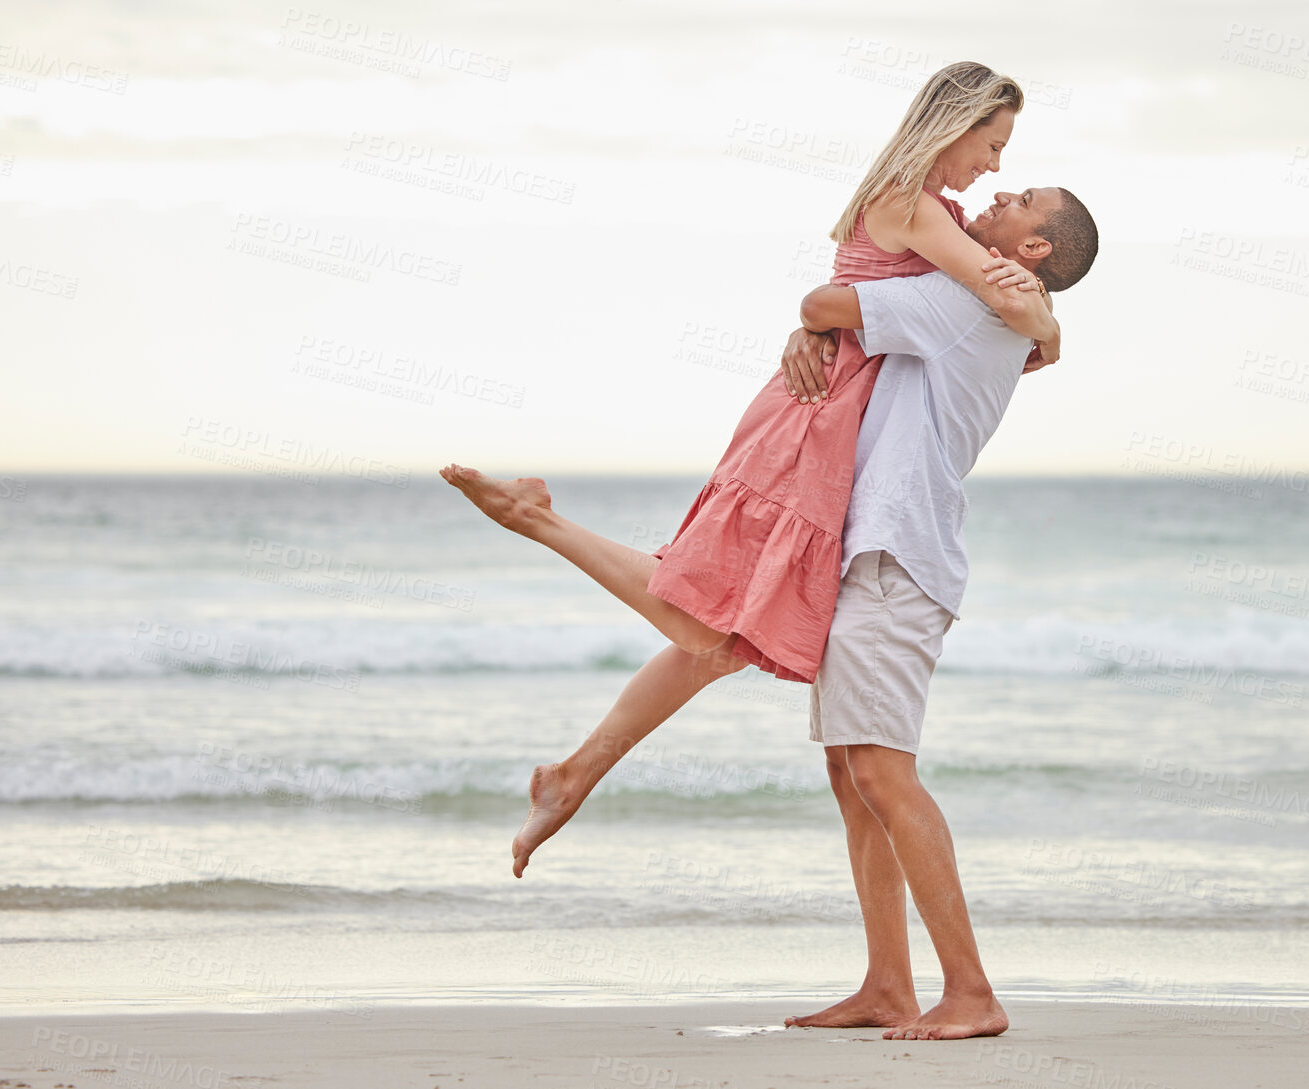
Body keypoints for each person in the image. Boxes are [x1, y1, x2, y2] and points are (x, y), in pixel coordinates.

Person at [441, 61, 1057, 877]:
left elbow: (892, 303)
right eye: (991, 143)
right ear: (953, 124)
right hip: (812, 419)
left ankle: (573, 773)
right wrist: (1049, 325)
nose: (995, 167)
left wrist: (821, 322)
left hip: (832, 417)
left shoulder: (929, 207)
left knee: (722, 635)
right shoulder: (912, 202)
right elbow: (1001, 302)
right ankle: (534, 522)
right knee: (705, 615)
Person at [781, 185, 1098, 1042]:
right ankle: (887, 983)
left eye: (1019, 199)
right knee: (852, 777)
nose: (996, 189)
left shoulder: (962, 301)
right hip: (881, 554)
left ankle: (971, 991)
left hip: (895, 559)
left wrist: (810, 324)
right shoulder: (988, 304)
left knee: (882, 773)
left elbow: (823, 302)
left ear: (1028, 251)